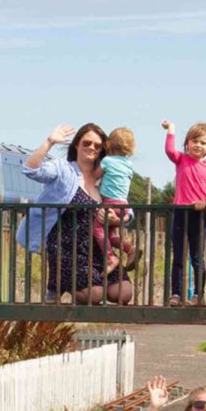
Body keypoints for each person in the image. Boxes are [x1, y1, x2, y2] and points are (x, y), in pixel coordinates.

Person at [20, 122, 134, 306]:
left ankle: (61, 286)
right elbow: (31, 170)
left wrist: (120, 218)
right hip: (69, 248)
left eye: (97, 146)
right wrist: (50, 142)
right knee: (94, 295)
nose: (92, 148)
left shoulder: (106, 172)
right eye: (86, 143)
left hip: (99, 248)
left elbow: (124, 205)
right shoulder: (64, 169)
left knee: (124, 293)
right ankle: (60, 284)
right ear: (76, 145)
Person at [161, 119, 206, 305]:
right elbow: (169, 150)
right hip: (180, 212)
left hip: (199, 214)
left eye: (203, 142)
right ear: (187, 143)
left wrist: (205, 201)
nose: (198, 145)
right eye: (194, 141)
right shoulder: (181, 159)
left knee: (197, 256)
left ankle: (198, 295)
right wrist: (171, 130)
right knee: (178, 256)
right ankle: (176, 293)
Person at [99, 127, 137, 204]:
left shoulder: (107, 160)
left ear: (108, 144)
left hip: (108, 201)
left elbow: (95, 176)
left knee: (97, 215)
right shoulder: (129, 164)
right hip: (124, 203)